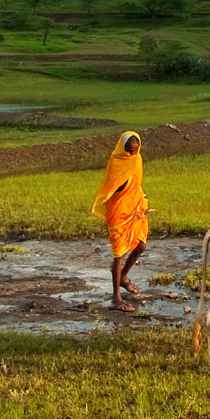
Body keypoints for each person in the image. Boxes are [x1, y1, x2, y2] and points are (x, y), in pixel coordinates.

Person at [92, 130, 149, 310]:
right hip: (119, 213)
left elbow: (136, 184)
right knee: (119, 255)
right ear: (122, 149)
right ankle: (116, 298)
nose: (132, 154)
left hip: (135, 209)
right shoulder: (116, 163)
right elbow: (110, 188)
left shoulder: (137, 159)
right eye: (129, 151)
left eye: (135, 150)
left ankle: (123, 277)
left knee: (141, 246)